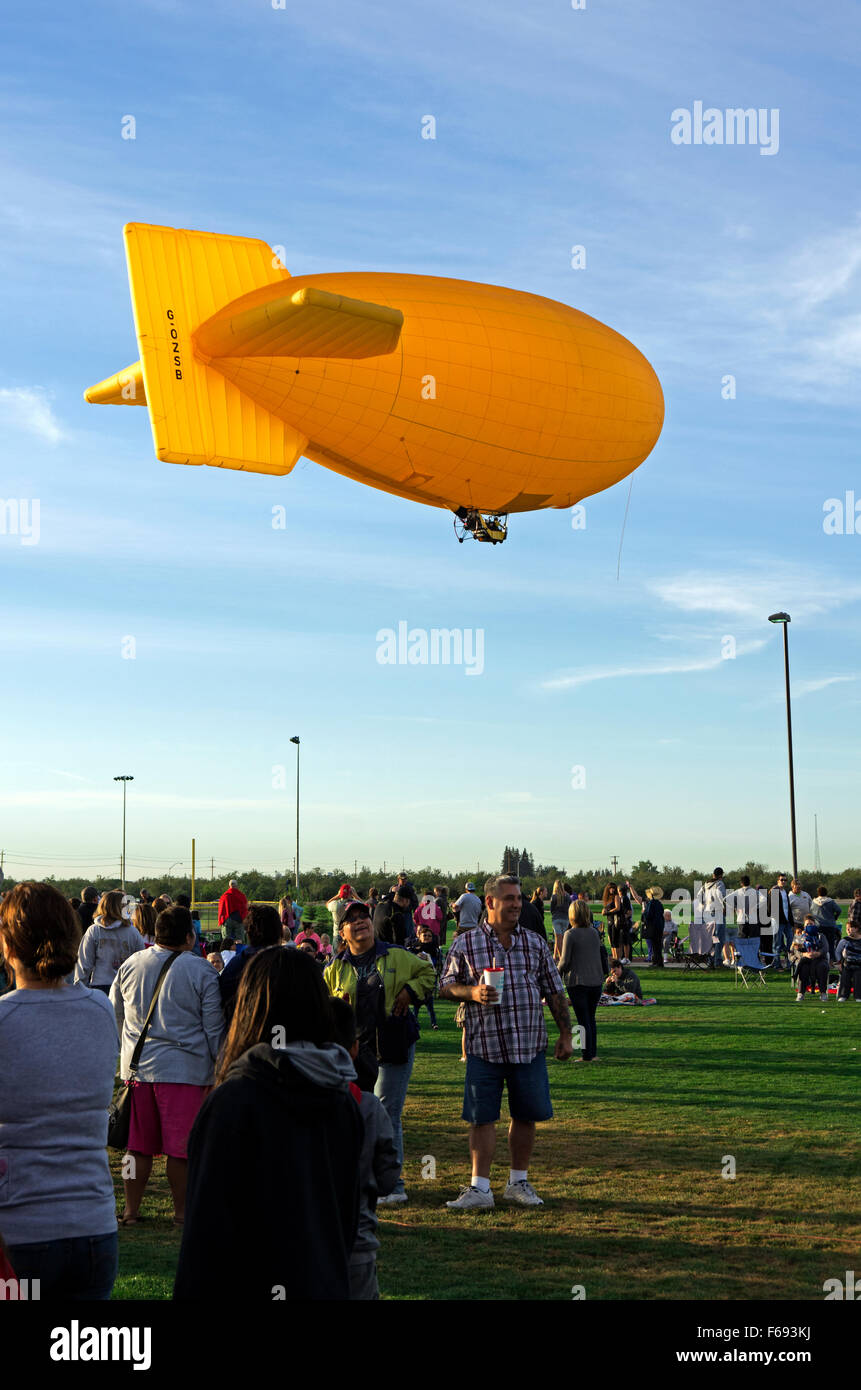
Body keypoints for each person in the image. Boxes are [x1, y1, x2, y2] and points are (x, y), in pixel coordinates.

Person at [174, 948, 363, 1300]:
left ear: (249, 1006)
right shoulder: (341, 1101)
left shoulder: (235, 1101)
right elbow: (346, 1222)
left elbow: (205, 1233)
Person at [0, 882, 120, 1299]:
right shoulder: (100, 1011)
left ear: (8, 943)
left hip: (21, 1231)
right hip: (95, 1226)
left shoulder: (5, 1019)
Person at [439, 874, 573, 1210]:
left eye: (519, 898)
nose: (517, 904)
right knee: (481, 1117)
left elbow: (554, 990)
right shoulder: (466, 943)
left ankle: (518, 1182)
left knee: (526, 1115)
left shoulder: (534, 942)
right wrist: (471, 992)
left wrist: (567, 1034)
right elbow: (445, 986)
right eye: (510, 898)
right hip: (485, 1045)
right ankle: (480, 1189)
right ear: (490, 902)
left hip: (528, 1045)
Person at [110, 905, 225, 1226]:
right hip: (186, 1072)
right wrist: (221, 1067)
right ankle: (182, 1214)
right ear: (189, 936)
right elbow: (213, 1027)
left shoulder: (130, 965)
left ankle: (130, 1211)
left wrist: (125, 1054)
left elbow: (115, 1014)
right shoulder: (202, 971)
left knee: (136, 1148)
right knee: (181, 1150)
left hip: (137, 1071)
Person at [324, 899, 435, 1205]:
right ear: (342, 932)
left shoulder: (397, 955)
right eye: (352, 919)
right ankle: (358, 1178)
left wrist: (408, 991)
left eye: (364, 917)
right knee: (354, 1111)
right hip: (355, 1049)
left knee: (387, 1112)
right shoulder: (335, 968)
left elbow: (430, 975)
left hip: (393, 1042)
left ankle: (393, 1185)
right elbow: (323, 1004)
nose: (360, 922)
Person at [330, 999, 400, 1300]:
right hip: (355, 1241)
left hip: (297, 1242)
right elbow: (386, 1178)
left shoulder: (281, 1101)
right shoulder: (368, 1107)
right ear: (355, 1048)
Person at [558, 899, 607, 1061]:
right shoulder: (594, 932)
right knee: (590, 1018)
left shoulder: (570, 934)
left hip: (578, 982)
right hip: (596, 981)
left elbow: (564, 961)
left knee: (582, 1019)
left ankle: (586, 1055)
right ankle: (592, 1053)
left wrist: (556, 974)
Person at [219, 903, 282, 1022]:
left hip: (242, 1032)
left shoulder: (235, 966)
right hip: (284, 1034)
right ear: (280, 932)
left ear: (248, 933)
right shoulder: (295, 963)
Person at [74, 890, 145, 993]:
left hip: (100, 985)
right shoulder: (132, 932)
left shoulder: (94, 931)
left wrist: (79, 987)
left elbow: (84, 963)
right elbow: (141, 961)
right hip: (126, 985)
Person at [793, 918, 829, 1002]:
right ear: (804, 926)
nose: (809, 926)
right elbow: (795, 950)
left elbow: (825, 948)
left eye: (811, 924)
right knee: (804, 968)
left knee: (822, 967)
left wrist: (818, 953)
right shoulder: (800, 937)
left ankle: (823, 993)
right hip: (805, 959)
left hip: (819, 958)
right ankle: (801, 993)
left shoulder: (821, 936)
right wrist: (804, 954)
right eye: (807, 924)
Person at [768, 873, 795, 968]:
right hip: (778, 921)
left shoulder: (785, 892)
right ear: (778, 881)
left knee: (791, 942)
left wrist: (791, 921)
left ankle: (789, 962)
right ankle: (777, 964)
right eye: (781, 880)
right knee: (777, 943)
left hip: (787, 921)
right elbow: (771, 908)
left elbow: (788, 907)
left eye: (785, 880)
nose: (783, 881)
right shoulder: (775, 890)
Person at [810, 885, 841, 961]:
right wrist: (835, 917)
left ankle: (821, 958)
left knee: (820, 944)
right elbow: (839, 910)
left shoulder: (814, 902)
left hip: (818, 926)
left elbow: (811, 912)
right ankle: (831, 960)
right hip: (830, 926)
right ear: (826, 893)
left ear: (818, 893)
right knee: (830, 943)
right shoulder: (830, 901)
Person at [639, 886, 665, 968]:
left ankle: (656, 962)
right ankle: (659, 962)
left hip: (653, 926)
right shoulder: (659, 903)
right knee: (658, 945)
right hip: (659, 926)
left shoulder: (651, 903)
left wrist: (643, 913)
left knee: (654, 945)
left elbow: (648, 915)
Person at [835, 919, 861, 1001]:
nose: (848, 930)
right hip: (847, 964)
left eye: (850, 928)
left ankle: (858, 996)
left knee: (858, 976)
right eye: (847, 929)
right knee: (845, 975)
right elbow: (837, 952)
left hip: (859, 965)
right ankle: (843, 995)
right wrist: (839, 963)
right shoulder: (844, 940)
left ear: (856, 929)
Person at [549, 880, 570, 963]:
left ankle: (561, 956)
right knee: (561, 938)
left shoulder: (554, 897)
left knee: (558, 938)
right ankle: (555, 955)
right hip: (565, 919)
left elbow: (551, 909)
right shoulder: (567, 896)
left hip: (556, 918)